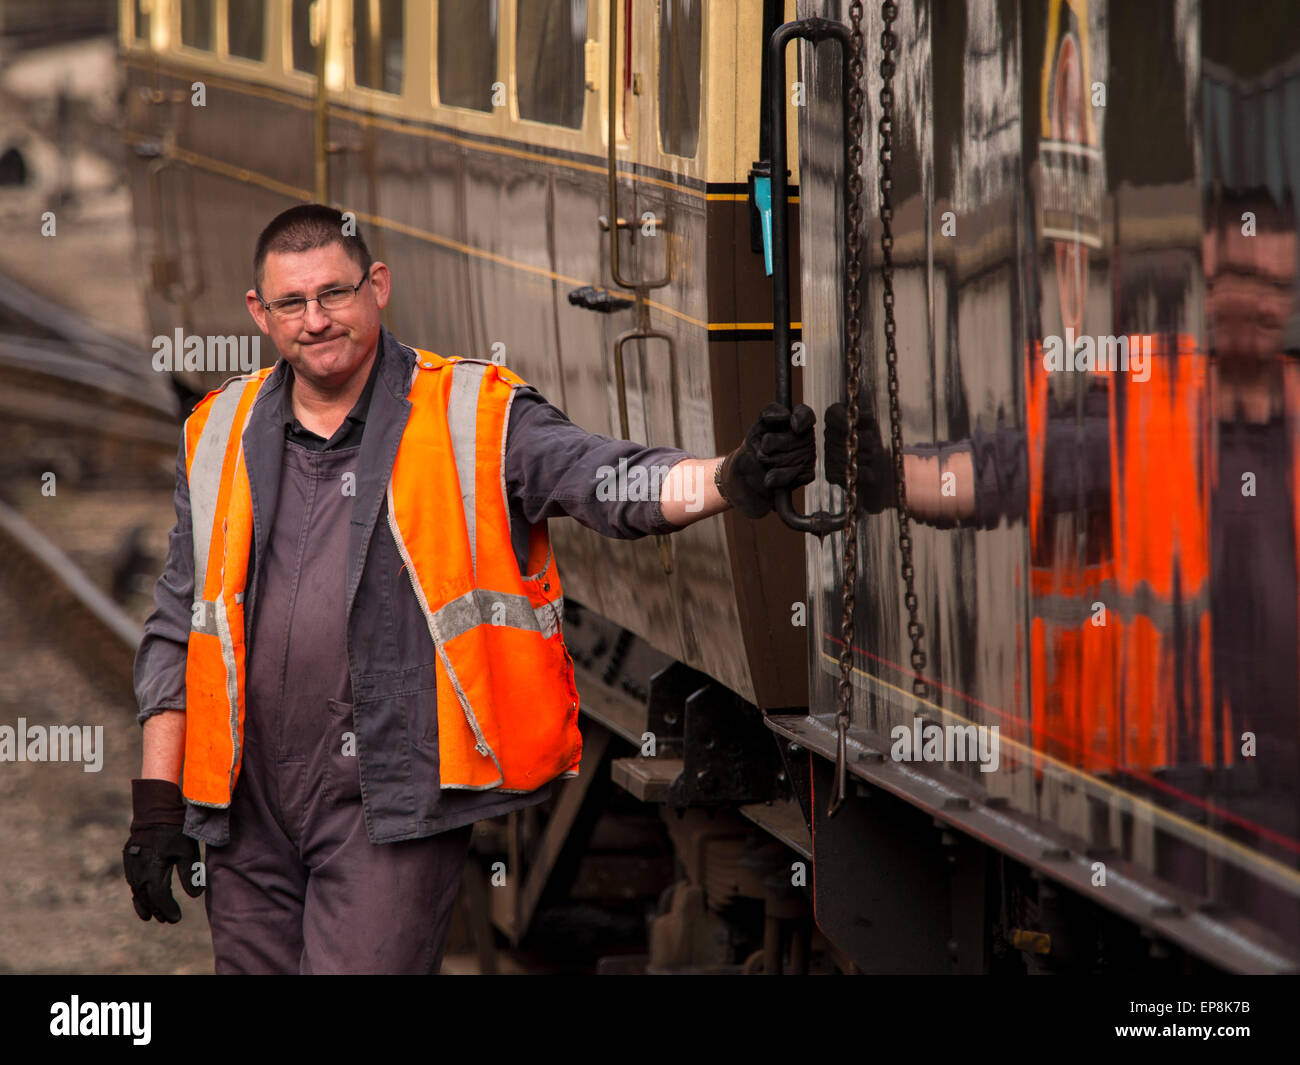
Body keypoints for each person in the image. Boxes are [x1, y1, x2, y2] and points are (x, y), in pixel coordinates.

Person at [121, 203, 833, 974]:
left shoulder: (470, 413)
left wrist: (732, 476)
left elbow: (603, 479)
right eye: (292, 302)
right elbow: (178, 628)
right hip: (246, 806)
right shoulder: (217, 429)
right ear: (260, 312)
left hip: (389, 805)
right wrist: (159, 803)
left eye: (335, 293)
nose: (316, 319)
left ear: (378, 286)